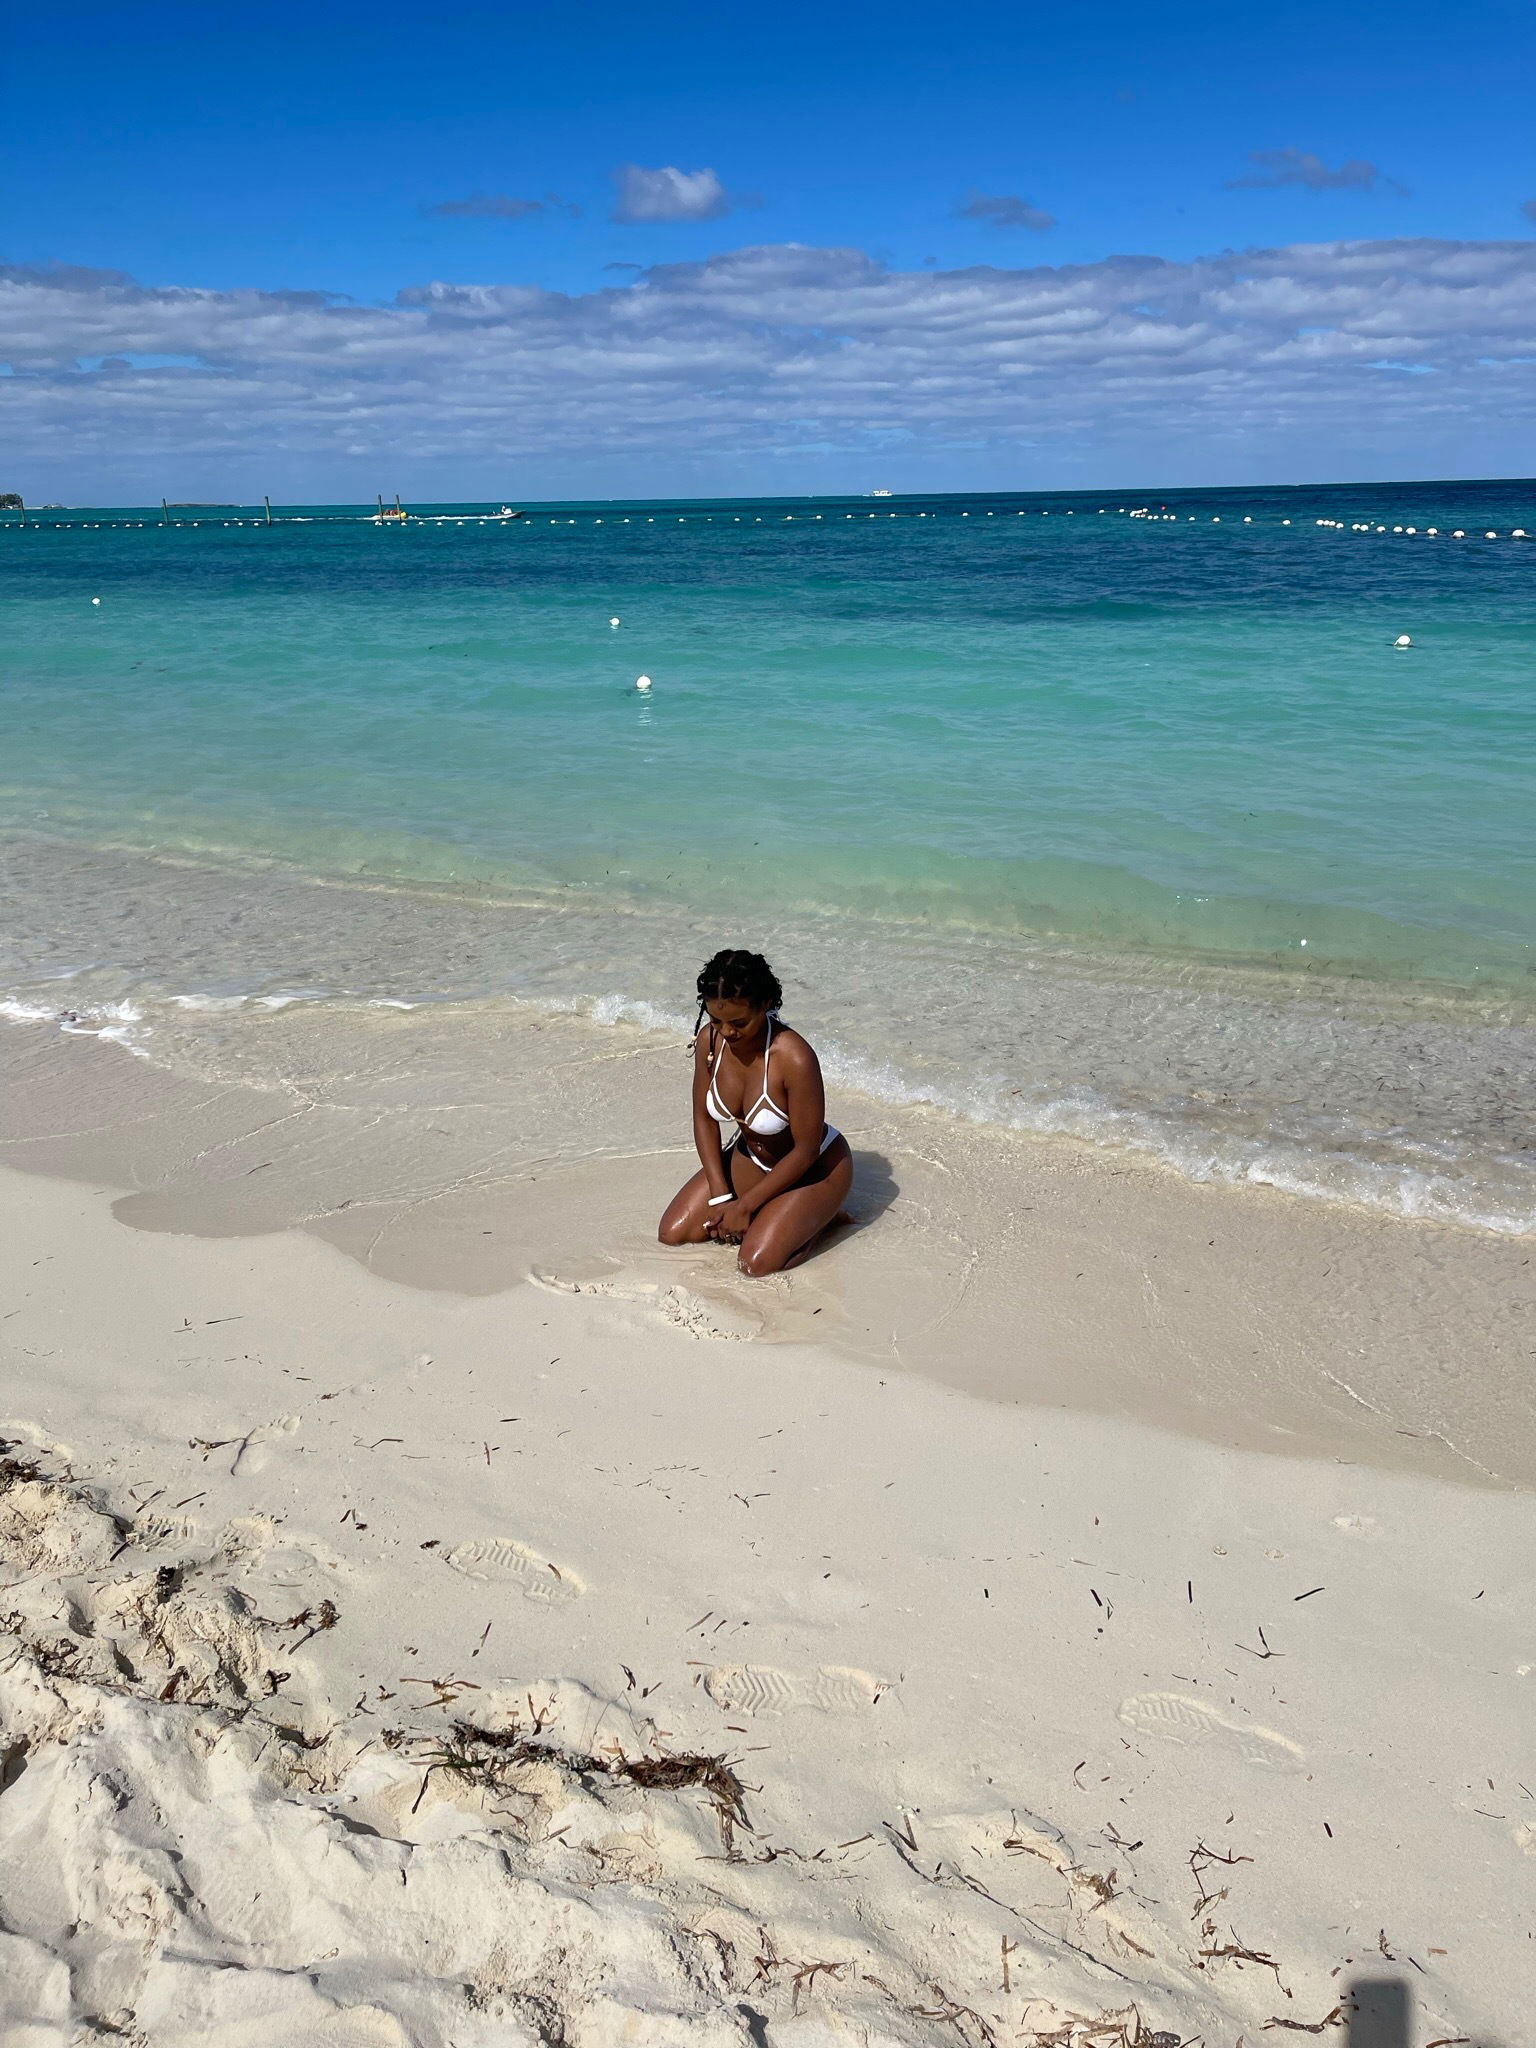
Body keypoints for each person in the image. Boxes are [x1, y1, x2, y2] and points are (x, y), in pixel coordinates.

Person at [658, 950, 853, 1276]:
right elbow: (704, 1119)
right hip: (750, 1161)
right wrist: (721, 1197)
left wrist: (745, 1206)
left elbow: (806, 1150)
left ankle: (823, 1218)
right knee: (672, 1234)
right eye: (716, 1020)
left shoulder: (794, 1057)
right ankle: (777, 1216)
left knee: (754, 1264)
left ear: (765, 1004)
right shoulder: (710, 1042)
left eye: (739, 1023)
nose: (726, 1032)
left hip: (813, 1169)